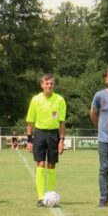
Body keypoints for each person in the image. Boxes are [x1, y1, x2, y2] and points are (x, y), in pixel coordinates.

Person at [25, 74, 67, 206]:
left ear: (54, 85)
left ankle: (51, 195)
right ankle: (41, 197)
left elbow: (61, 123)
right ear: (42, 85)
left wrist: (61, 140)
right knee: (41, 163)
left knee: (51, 164)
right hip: (39, 134)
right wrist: (29, 140)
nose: (49, 86)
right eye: (46, 83)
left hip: (54, 135)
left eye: (51, 84)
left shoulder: (59, 100)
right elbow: (30, 121)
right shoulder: (36, 99)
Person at [90, 68, 108, 207]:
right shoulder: (99, 96)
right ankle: (104, 197)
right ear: (106, 80)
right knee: (104, 168)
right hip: (104, 139)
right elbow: (93, 113)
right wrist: (100, 128)